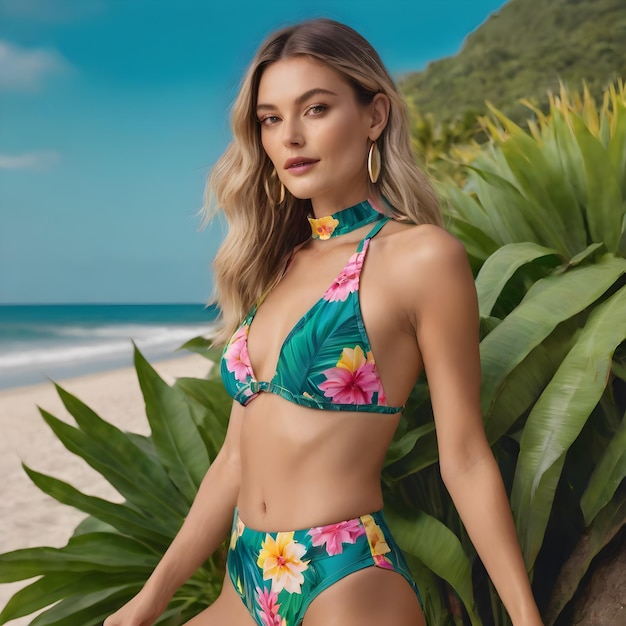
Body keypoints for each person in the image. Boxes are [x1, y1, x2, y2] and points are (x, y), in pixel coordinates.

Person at [104, 18, 543, 626]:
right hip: (247, 578)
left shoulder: (419, 257)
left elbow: (464, 456)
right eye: (271, 118)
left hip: (346, 581)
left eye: (315, 108)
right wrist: (147, 602)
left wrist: (525, 619)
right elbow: (234, 458)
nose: (290, 137)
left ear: (374, 116)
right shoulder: (276, 265)